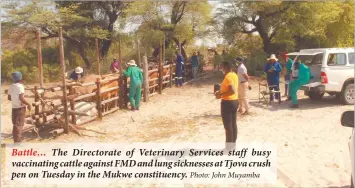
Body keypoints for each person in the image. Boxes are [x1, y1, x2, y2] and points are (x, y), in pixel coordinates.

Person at [214, 61, 239, 150]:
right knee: (233, 125)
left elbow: (232, 90)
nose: (222, 69)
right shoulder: (234, 75)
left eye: (222, 67)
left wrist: (221, 94)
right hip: (235, 101)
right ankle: (233, 146)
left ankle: (229, 148)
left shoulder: (228, 77)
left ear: (226, 67)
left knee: (228, 126)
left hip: (227, 103)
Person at [8, 72, 31, 143]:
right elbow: (21, 98)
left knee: (15, 124)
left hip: (14, 108)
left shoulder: (11, 86)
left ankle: (18, 139)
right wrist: (28, 104)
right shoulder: (20, 86)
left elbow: (9, 98)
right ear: (20, 78)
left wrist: (15, 100)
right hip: (20, 108)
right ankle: (18, 142)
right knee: (19, 125)